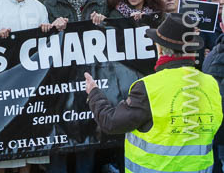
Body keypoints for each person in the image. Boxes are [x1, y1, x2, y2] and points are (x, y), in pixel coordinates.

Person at [85, 13, 222, 173]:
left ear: (160, 48)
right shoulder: (211, 83)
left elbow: (111, 122)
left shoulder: (148, 88)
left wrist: (94, 93)